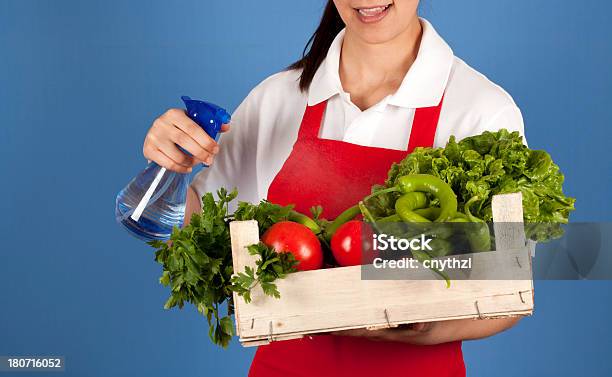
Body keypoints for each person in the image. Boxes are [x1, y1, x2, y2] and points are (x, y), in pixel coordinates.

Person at [143, 1, 524, 376]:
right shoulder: (278, 98)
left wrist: (421, 329)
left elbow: (509, 297)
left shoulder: (481, 109)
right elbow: (193, 240)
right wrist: (169, 169)